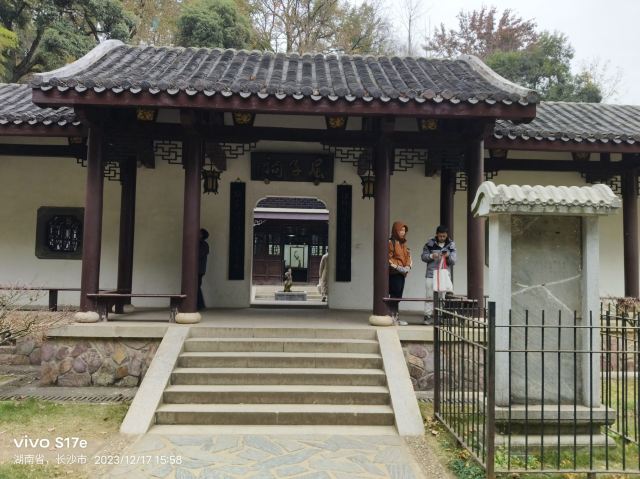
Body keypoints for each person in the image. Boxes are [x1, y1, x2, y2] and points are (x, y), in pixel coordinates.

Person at [421, 225, 456, 325]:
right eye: (440, 236)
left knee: (442, 296)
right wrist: (432, 256)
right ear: (436, 234)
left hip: (444, 274)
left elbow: (453, 261)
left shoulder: (451, 245)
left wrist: (448, 256)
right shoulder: (429, 244)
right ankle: (428, 316)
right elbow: (423, 257)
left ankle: (440, 316)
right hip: (431, 274)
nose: (442, 238)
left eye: (444, 236)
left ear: (446, 235)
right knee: (429, 296)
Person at [388, 221, 412, 326]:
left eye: (404, 230)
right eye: (400, 230)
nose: (403, 232)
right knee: (394, 295)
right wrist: (397, 267)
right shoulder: (390, 242)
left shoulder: (404, 244)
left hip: (402, 273)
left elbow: (408, 257)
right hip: (394, 273)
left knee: (398, 296)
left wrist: (407, 267)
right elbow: (388, 258)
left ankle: (395, 318)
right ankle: (392, 318)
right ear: (395, 231)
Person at [197, 228, 210, 311]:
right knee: (196, 287)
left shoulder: (203, 244)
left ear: (202, 235)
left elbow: (198, 255)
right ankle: (200, 305)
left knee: (196, 287)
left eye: (199, 233)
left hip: (199, 270)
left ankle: (200, 305)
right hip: (199, 269)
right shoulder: (201, 244)